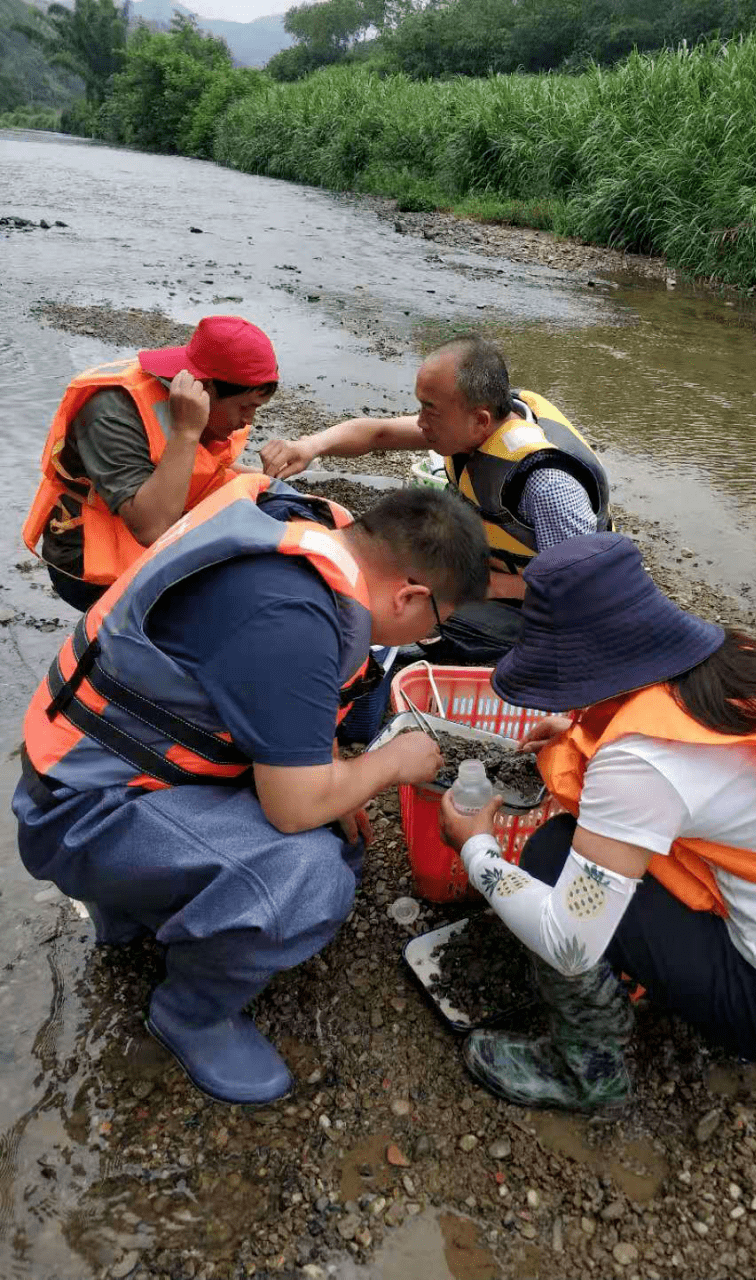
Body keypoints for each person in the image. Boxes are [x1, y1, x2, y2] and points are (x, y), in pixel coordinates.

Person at [14, 477, 489, 1106]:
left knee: (333, 823)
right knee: (313, 871)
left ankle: (132, 912)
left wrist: (338, 781)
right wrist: (391, 764)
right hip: (79, 815)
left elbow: (275, 691)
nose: (421, 641)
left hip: (94, 773)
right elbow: (292, 811)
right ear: (410, 596)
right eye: (434, 628)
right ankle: (190, 1013)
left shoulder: (303, 525)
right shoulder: (292, 614)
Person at [439, 534, 756, 1110]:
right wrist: (579, 735)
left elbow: (569, 943)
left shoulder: (642, 761)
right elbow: (702, 778)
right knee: (576, 852)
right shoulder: (739, 665)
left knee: (549, 858)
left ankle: (585, 1073)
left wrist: (476, 848)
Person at [259, 335, 611, 663]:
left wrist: (483, 586)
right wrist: (309, 446)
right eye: (421, 407)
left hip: (542, 606)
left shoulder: (546, 484)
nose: (421, 422)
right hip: (489, 570)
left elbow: (579, 590)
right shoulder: (474, 423)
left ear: (481, 419)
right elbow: (376, 433)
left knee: (427, 621)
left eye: (430, 410)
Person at [23, 315, 279, 612]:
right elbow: (152, 529)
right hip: (91, 560)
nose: (248, 420)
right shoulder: (111, 412)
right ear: (205, 389)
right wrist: (187, 431)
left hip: (154, 521)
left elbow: (203, 470)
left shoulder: (208, 404)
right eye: (246, 407)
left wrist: (273, 484)